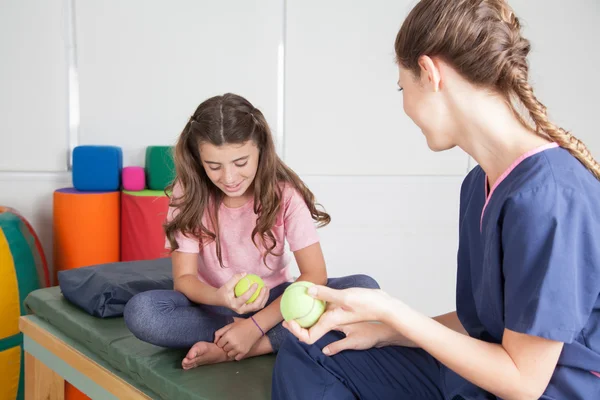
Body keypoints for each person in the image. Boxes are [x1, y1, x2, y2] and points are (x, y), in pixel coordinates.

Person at [272, 0, 600, 399]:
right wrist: (387, 331)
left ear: (429, 73)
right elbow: (484, 324)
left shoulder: (550, 197)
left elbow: (523, 382)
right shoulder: (478, 183)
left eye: (402, 86)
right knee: (314, 349)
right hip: (480, 376)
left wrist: (394, 311)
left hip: (545, 391)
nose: (404, 103)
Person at [123, 93, 378, 370]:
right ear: (198, 160)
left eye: (241, 163)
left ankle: (245, 347)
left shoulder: (285, 195)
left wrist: (255, 327)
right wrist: (220, 298)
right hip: (213, 305)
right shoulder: (188, 194)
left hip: (277, 304)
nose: (229, 178)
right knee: (143, 313)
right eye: (214, 166)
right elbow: (184, 279)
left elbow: (315, 274)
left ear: (261, 150)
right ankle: (236, 336)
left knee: (364, 288)